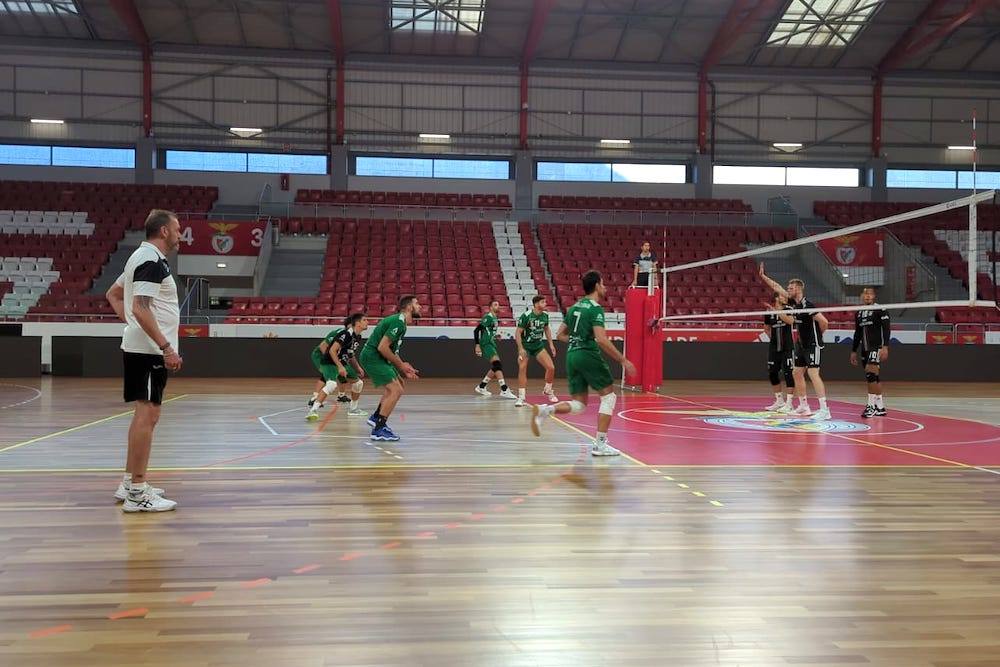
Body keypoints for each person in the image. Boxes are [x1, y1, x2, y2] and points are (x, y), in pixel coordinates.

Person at [105, 209, 181, 513]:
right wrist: (166, 347)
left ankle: (129, 482)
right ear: (163, 231)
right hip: (149, 352)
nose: (179, 234)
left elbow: (114, 293)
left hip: (142, 348)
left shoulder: (140, 258)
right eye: (177, 229)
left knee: (144, 414)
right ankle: (137, 492)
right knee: (147, 416)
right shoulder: (150, 261)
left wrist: (134, 327)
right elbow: (140, 307)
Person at [530, 270, 637, 456]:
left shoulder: (574, 307)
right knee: (609, 397)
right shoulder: (595, 309)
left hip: (572, 355)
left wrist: (577, 339)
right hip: (587, 354)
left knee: (579, 405)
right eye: (603, 284)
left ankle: (545, 410)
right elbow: (602, 340)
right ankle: (601, 445)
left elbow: (560, 335)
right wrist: (623, 360)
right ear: (596, 286)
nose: (605, 288)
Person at [758, 264, 830, 421]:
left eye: (790, 288)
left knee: (813, 373)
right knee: (796, 372)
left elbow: (824, 322)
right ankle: (804, 406)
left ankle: (825, 410)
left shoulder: (807, 305)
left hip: (812, 343)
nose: (787, 290)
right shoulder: (794, 304)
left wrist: (817, 336)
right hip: (801, 344)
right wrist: (763, 277)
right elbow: (777, 287)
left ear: (798, 288)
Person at [358, 296, 421, 442]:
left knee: (399, 384)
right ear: (409, 307)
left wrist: (403, 367)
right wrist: (400, 365)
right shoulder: (398, 321)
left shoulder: (401, 323)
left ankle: (376, 417)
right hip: (373, 357)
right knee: (396, 390)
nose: (420, 306)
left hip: (379, 357)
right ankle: (378, 429)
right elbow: (382, 347)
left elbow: (393, 350)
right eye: (417, 303)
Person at [306, 312, 368, 421]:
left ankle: (353, 410)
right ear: (357, 323)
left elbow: (350, 354)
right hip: (329, 362)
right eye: (365, 320)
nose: (368, 322)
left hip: (342, 362)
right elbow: (332, 350)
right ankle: (313, 410)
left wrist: (357, 367)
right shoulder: (345, 334)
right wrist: (339, 366)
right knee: (331, 384)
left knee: (358, 383)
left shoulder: (357, 337)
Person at [851, 286, 890, 418]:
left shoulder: (880, 309)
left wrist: (885, 347)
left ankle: (870, 406)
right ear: (862, 296)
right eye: (865, 294)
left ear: (874, 296)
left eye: (870, 294)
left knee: (870, 374)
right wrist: (853, 350)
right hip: (864, 349)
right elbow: (857, 333)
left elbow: (886, 329)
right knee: (874, 377)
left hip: (876, 346)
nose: (867, 296)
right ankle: (880, 407)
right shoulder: (859, 312)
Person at [514, 295, 559, 407]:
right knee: (522, 368)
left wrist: (551, 344)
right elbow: (518, 332)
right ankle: (521, 397)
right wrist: (520, 349)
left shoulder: (545, 315)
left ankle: (548, 390)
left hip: (538, 346)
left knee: (551, 367)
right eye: (543, 302)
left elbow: (547, 329)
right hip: (526, 346)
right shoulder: (527, 316)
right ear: (536, 304)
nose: (545, 304)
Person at [473, 299, 516, 399]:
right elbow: (477, 330)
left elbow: (488, 331)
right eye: (496, 305)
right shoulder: (488, 317)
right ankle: (504, 389)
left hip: (491, 342)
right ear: (490, 307)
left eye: (499, 304)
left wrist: (495, 336)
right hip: (486, 344)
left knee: (495, 366)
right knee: (497, 364)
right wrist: (477, 345)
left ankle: (481, 387)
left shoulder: (495, 318)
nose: (498, 306)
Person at [763, 291, 795, 412]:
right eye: (782, 296)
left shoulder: (789, 309)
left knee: (788, 373)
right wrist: (774, 340)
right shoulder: (769, 312)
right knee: (772, 373)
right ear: (776, 298)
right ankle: (779, 401)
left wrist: (777, 310)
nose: (785, 297)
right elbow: (766, 329)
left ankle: (789, 403)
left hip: (787, 347)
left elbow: (790, 321)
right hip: (774, 348)